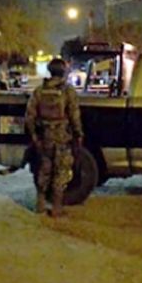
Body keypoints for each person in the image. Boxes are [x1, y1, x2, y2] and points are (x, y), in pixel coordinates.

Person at [24, 58, 83, 217]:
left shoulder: (39, 91)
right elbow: (74, 115)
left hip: (44, 138)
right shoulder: (67, 91)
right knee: (61, 172)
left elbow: (29, 116)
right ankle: (57, 209)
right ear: (63, 72)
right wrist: (78, 135)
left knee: (44, 171)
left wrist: (35, 137)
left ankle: (40, 205)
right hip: (62, 137)